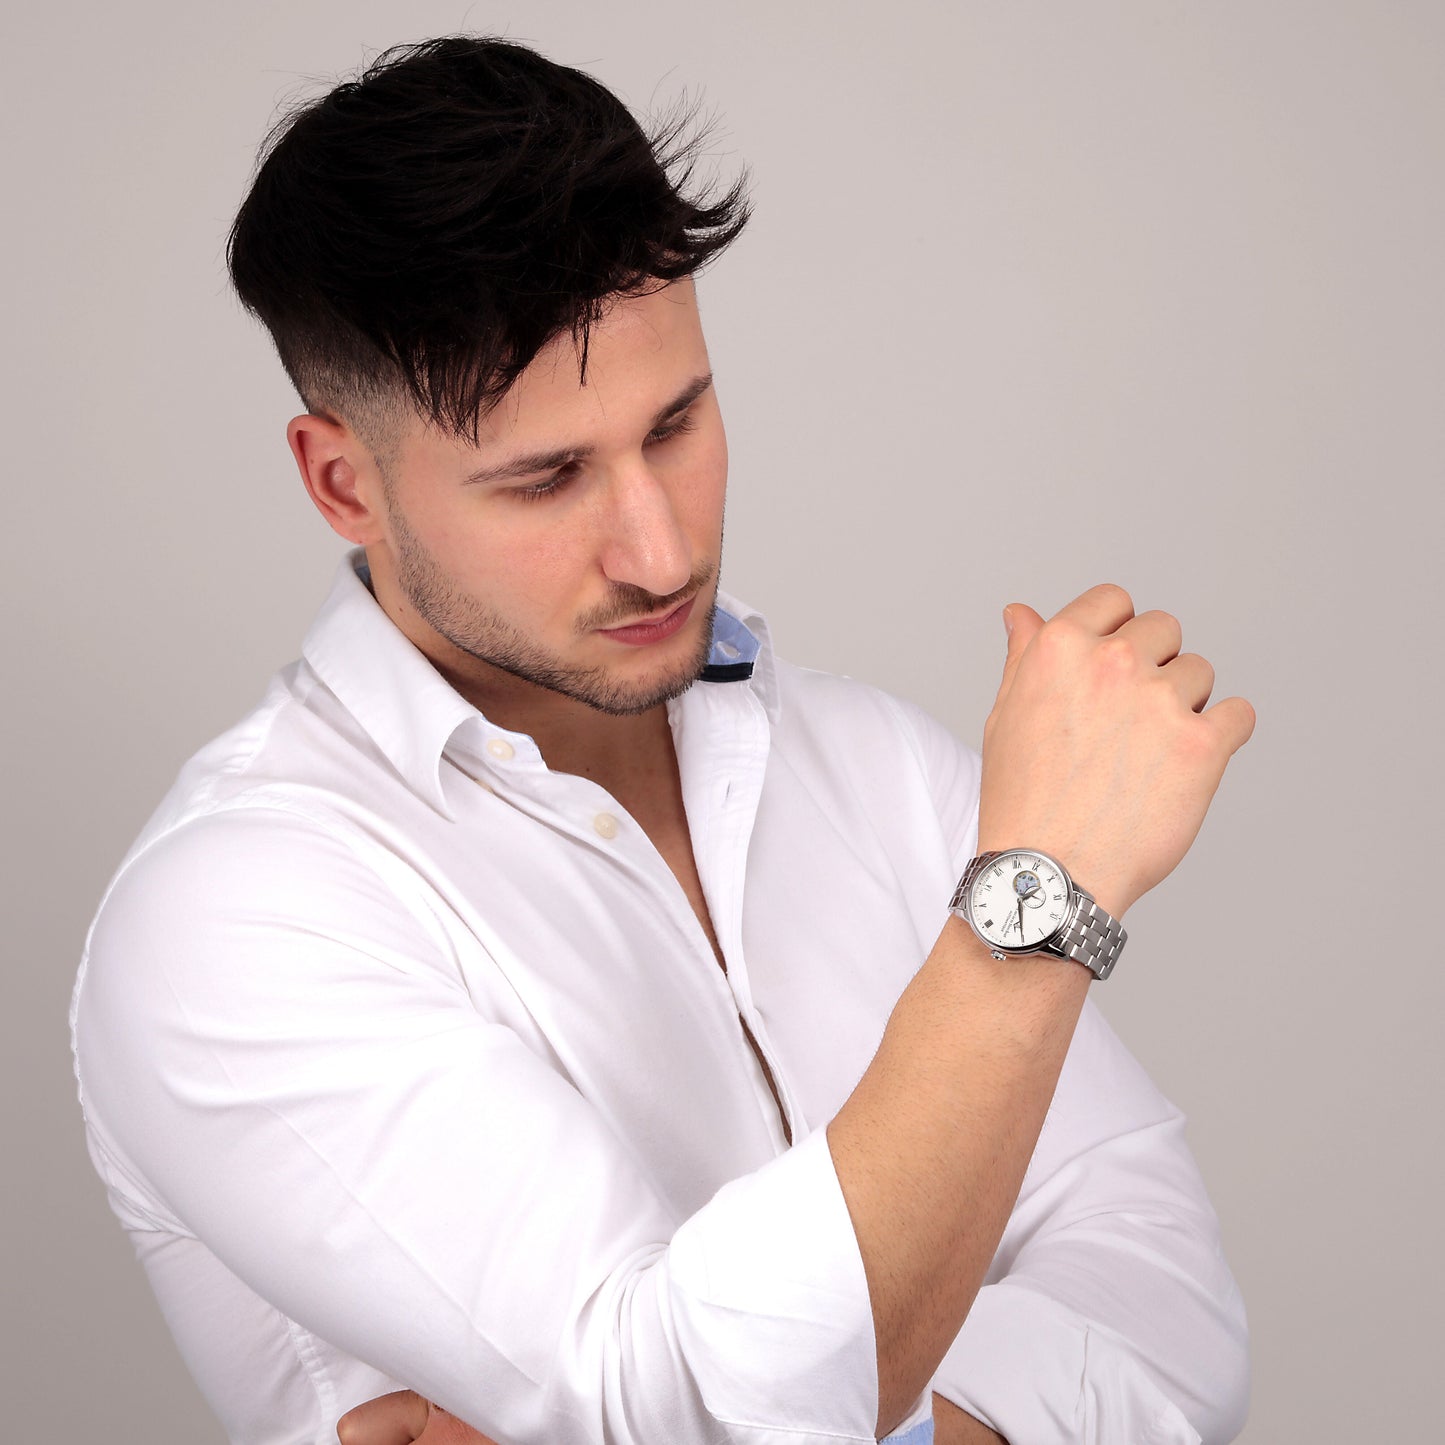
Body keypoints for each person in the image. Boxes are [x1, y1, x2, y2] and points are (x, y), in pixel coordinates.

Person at [70, 35, 1256, 1445]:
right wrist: (1033, 904)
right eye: (546, 479)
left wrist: (799, 1406)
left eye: (676, 423)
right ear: (343, 482)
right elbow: (686, 1405)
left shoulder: (877, 765)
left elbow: (1175, 1315)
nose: (659, 549)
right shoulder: (235, 916)